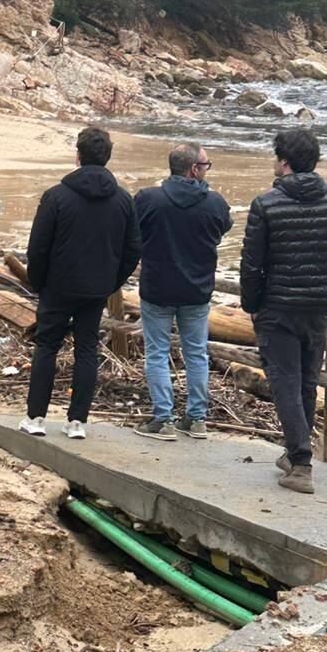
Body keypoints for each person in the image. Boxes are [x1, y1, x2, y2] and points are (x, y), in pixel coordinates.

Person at [22, 125, 141, 441]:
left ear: (77, 155)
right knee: (87, 349)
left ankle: (35, 417)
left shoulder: (56, 196)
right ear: (107, 157)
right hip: (97, 287)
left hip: (58, 286)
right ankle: (77, 422)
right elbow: (132, 250)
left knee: (47, 345)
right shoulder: (123, 201)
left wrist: (38, 281)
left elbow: (38, 247)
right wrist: (112, 282)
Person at [239, 126, 327, 495]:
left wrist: (251, 305)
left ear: (283, 162)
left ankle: (301, 463)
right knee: (306, 382)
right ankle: (296, 454)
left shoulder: (267, 204)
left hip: (278, 307)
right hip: (319, 307)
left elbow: (252, 264)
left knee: (284, 383)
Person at [133, 142, 232, 440]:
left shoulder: (149, 199)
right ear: (193, 169)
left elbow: (134, 232)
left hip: (157, 287)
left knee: (157, 353)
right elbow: (223, 227)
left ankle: (163, 419)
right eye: (205, 165)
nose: (206, 170)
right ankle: (196, 418)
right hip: (197, 288)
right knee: (196, 353)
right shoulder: (214, 202)